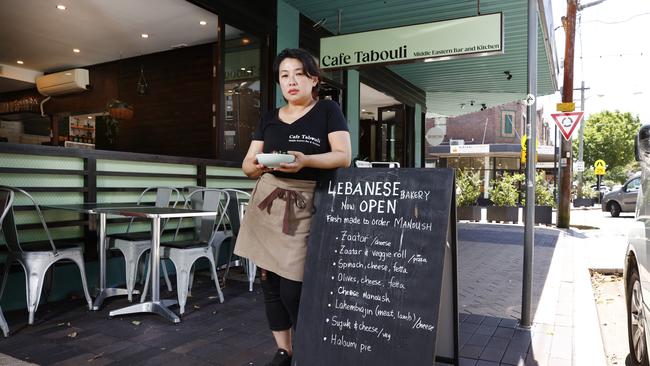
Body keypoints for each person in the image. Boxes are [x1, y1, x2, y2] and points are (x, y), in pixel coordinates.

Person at [235, 48, 351, 366]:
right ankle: (285, 351)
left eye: (299, 73)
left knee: (293, 287)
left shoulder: (328, 110)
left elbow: (343, 155)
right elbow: (247, 164)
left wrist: (306, 161)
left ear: (314, 79)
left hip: (306, 202)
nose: (291, 81)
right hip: (267, 200)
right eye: (284, 75)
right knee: (269, 283)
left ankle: (309, 348)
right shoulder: (269, 118)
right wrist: (261, 165)